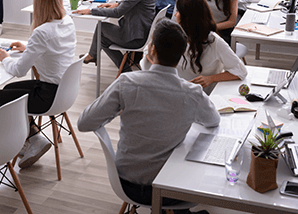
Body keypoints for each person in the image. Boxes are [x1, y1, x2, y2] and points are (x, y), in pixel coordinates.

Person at [78, 19, 219, 214]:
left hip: (127, 183)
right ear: (181, 56)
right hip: (172, 190)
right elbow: (213, 120)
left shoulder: (127, 82)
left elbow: (84, 123)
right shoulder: (191, 92)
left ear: (151, 49)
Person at [0, 0, 76, 169]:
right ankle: (32, 135)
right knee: (9, 90)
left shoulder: (41, 32)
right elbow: (54, 50)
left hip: (47, 97)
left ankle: (30, 139)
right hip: (65, 90)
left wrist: (5, 58)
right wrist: (28, 50)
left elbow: (18, 71)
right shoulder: (68, 22)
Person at [139, 0, 247, 94]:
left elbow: (241, 71)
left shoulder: (213, 41)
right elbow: (147, 53)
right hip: (176, 92)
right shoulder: (175, 34)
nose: (175, 14)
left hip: (202, 95)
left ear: (187, 18)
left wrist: (211, 79)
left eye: (178, 12)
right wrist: (160, 66)